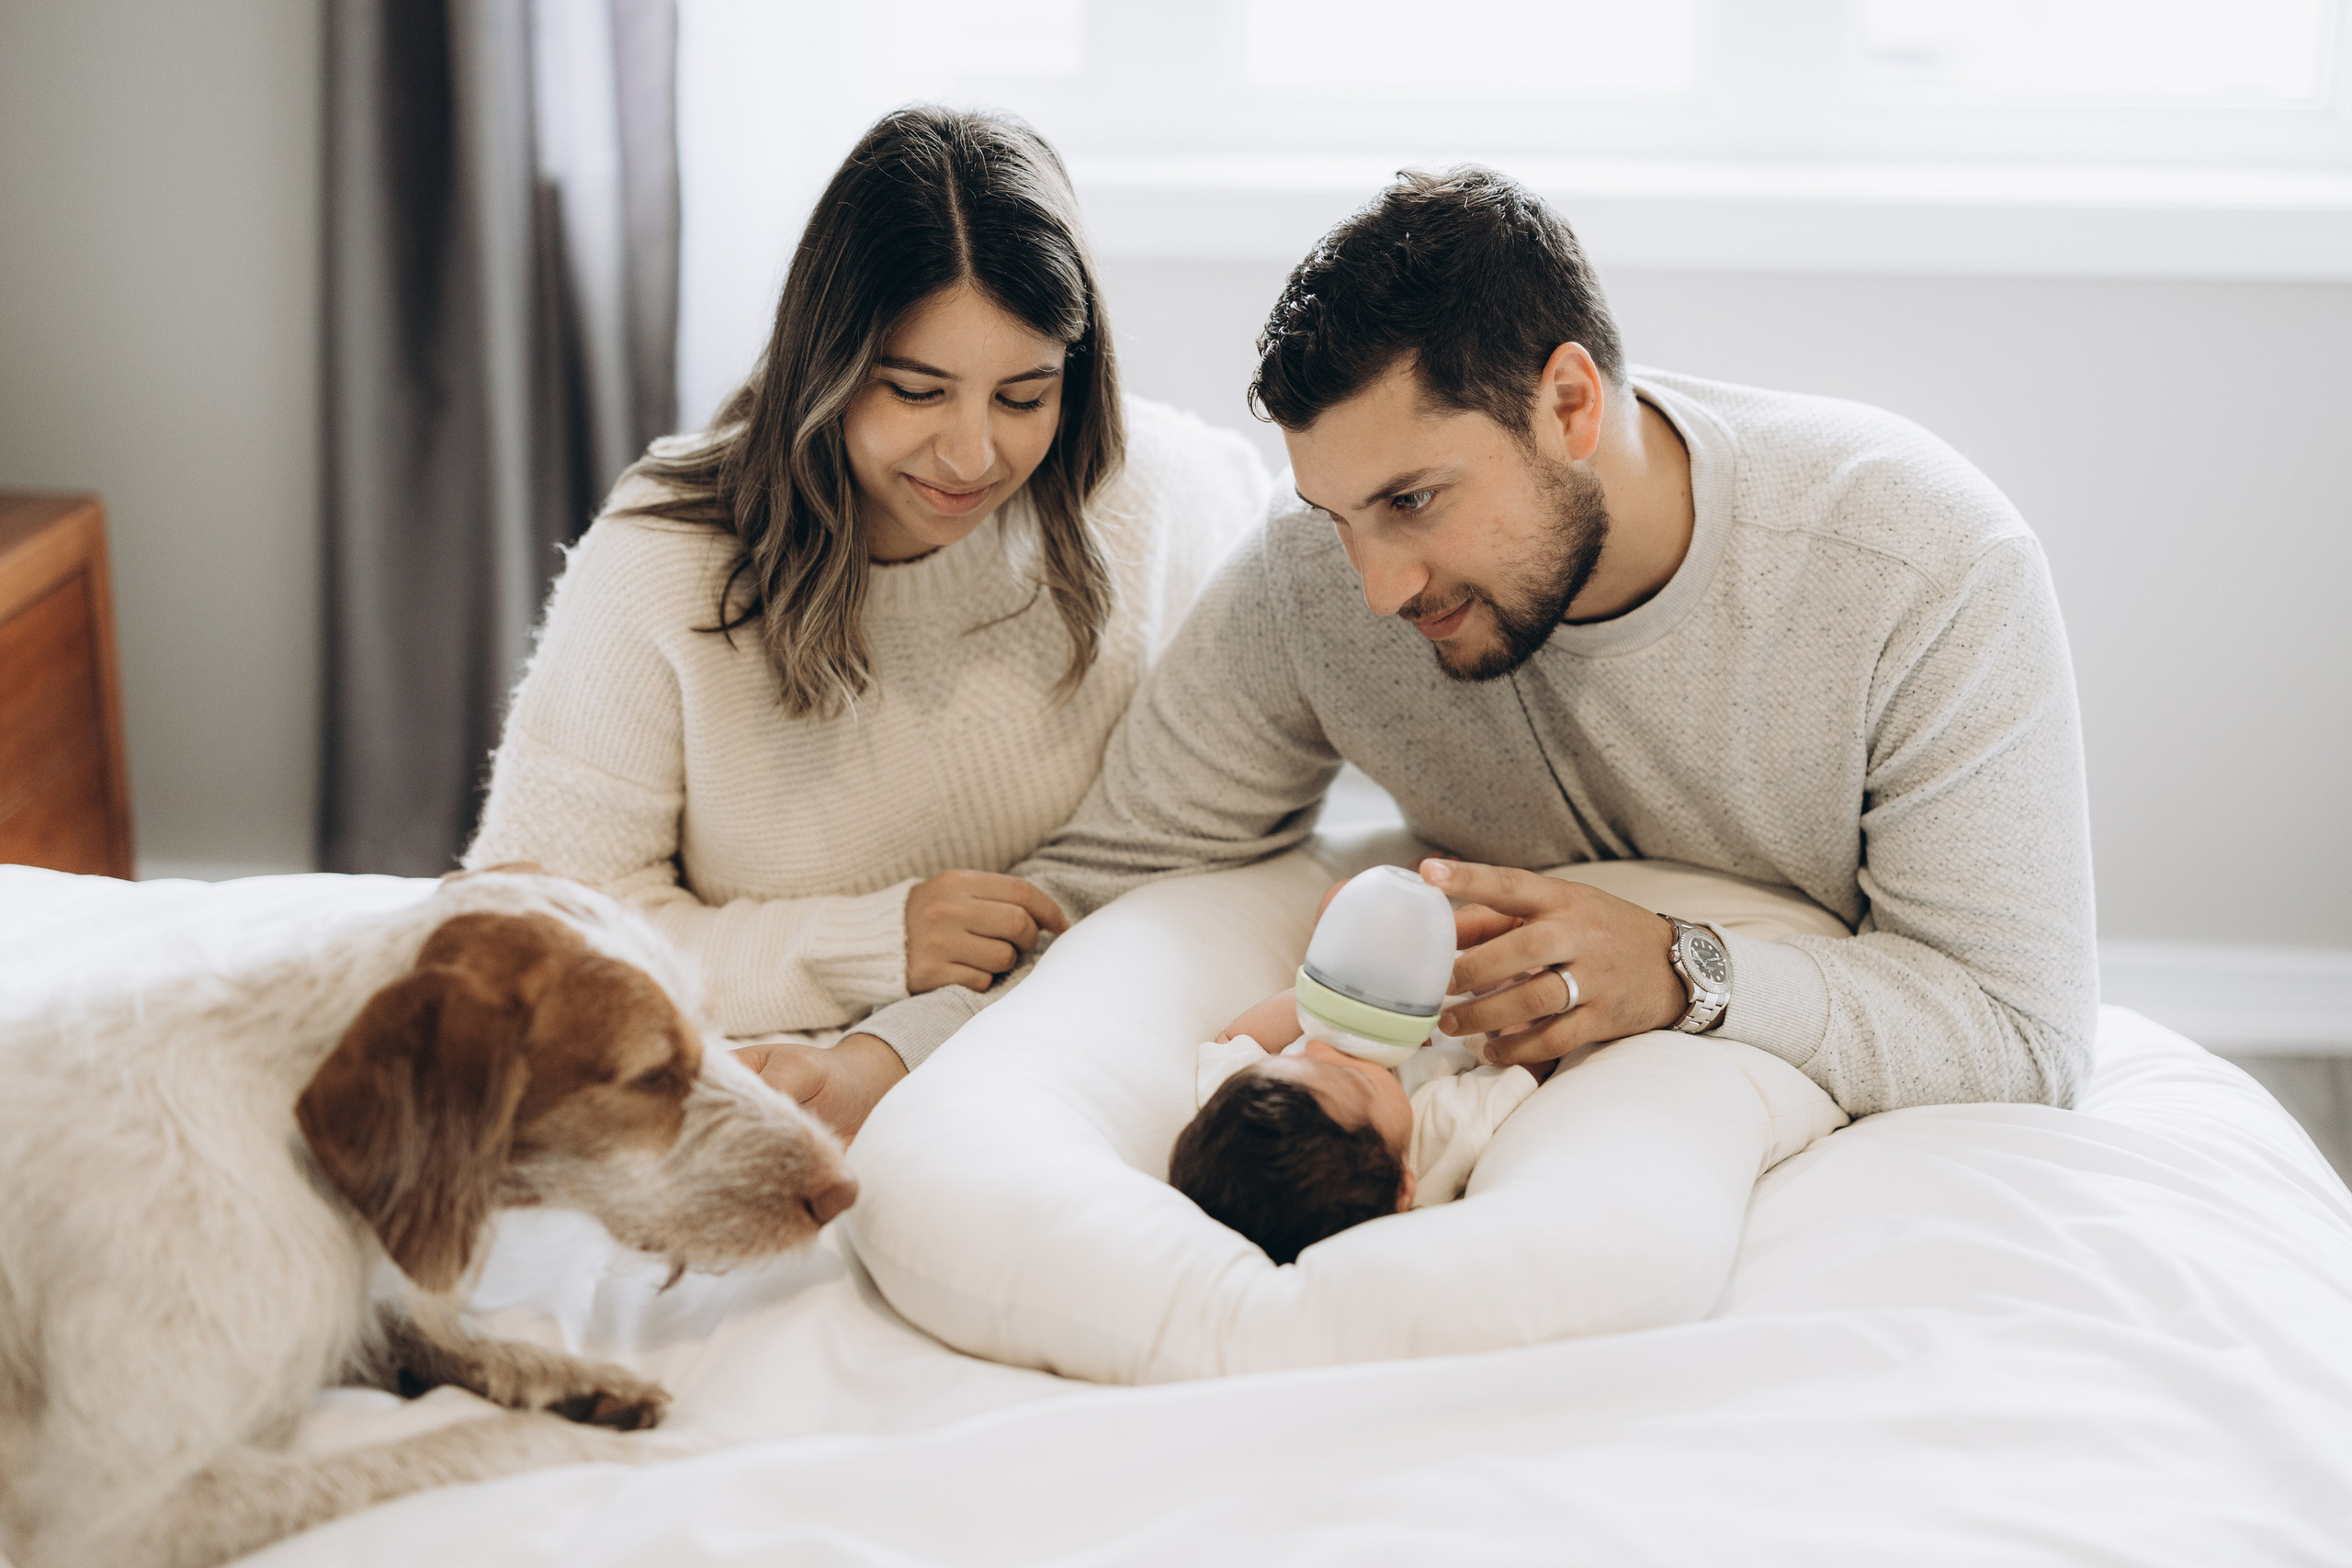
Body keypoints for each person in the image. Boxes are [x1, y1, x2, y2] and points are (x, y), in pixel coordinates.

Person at [852, 164, 2098, 1122]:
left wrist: (1683, 971)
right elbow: (1114, 870)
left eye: (1413, 500)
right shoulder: (1318, 583)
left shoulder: (1919, 564)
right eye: (1334, 514)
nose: (1378, 585)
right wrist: (876, 1059)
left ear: (1567, 403)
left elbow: (2022, 1031)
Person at [466, 107, 1269, 1139]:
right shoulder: (666, 562)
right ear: (827, 364)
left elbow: (1212, 847)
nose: (973, 454)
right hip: (764, 1085)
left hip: (1063, 1062)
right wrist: (870, 943)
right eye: (917, 391)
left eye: (1024, 396)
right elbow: (531, 933)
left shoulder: (1158, 494)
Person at [1173, 988, 1547, 1264]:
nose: (1322, 1050)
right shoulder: (1438, 1131)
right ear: (1403, 1186)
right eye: (1360, 1080)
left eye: (1300, 1057)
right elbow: (1527, 1057)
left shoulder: (1249, 1105)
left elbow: (1237, 1039)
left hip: (1360, 992)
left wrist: (1326, 999)